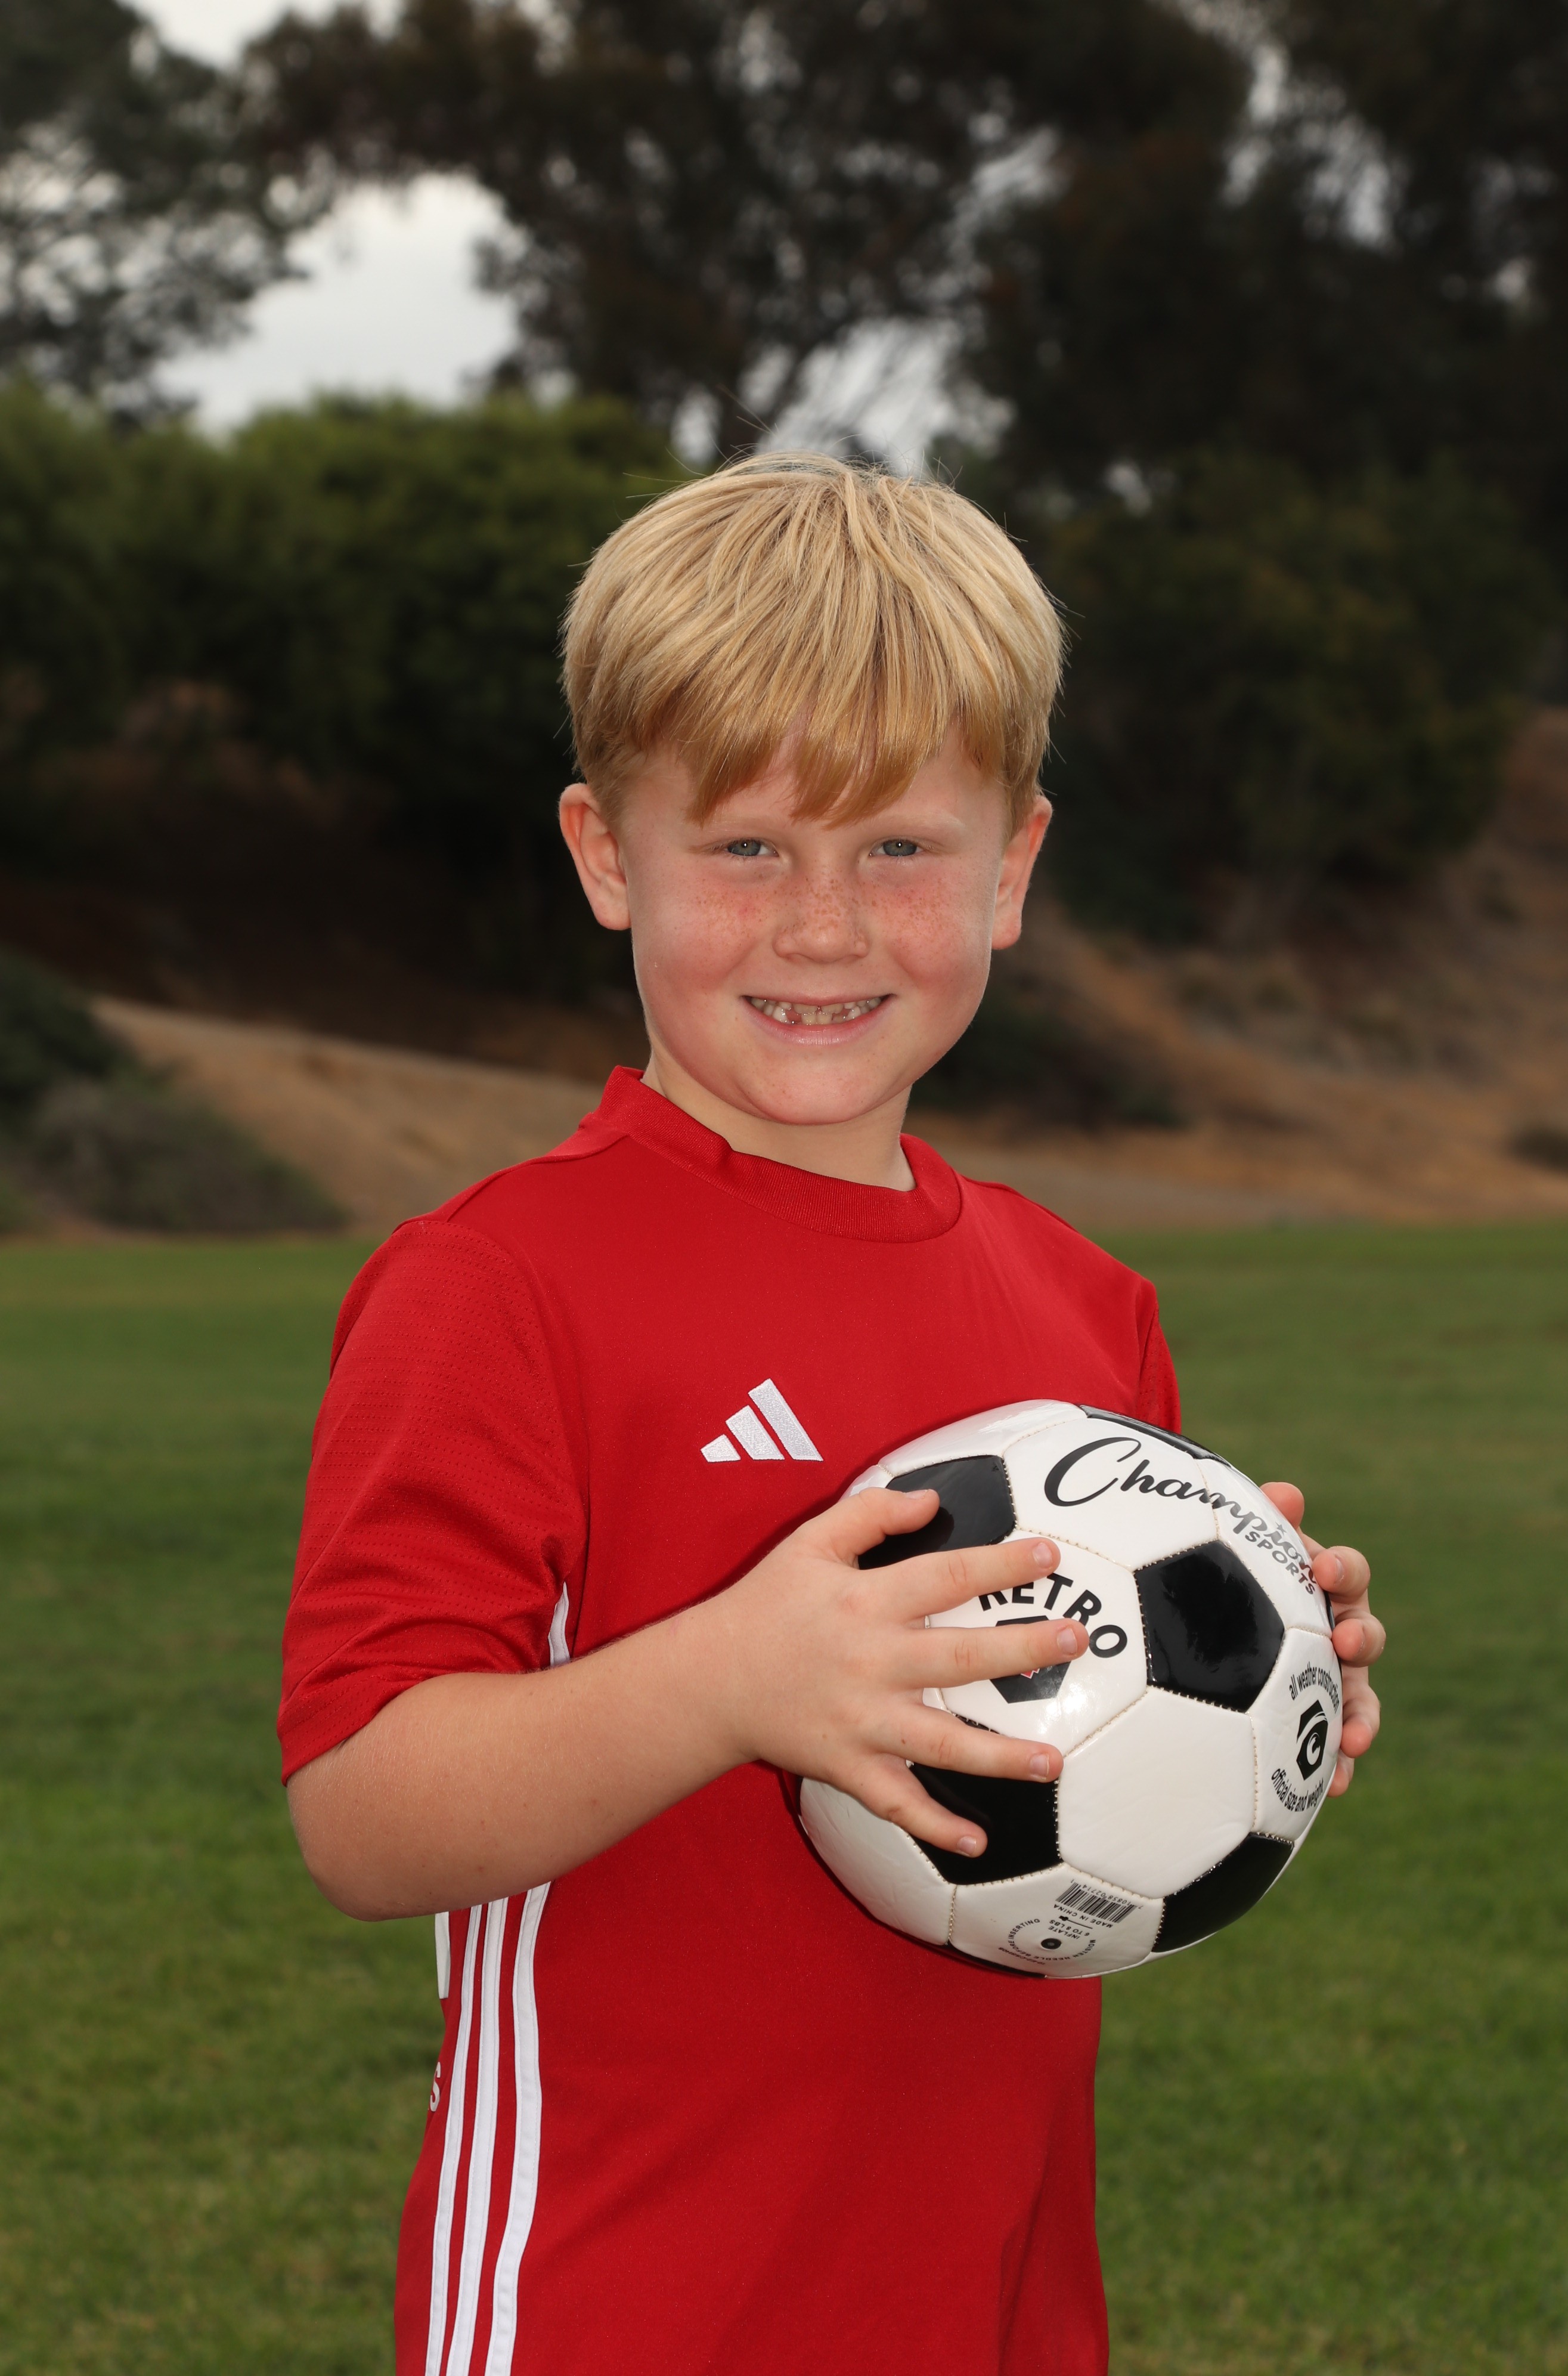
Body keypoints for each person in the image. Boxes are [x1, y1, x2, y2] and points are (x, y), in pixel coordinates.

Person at [279, 454, 1384, 2376]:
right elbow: (363, 1815)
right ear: (606, 856)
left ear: (1013, 869)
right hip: (619, 2302)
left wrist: (1269, 1679)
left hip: (994, 2302)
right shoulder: (500, 1288)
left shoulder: (1085, 1310)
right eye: (745, 848)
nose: (821, 925)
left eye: (899, 850)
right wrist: (736, 1679)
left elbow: (1102, 1771)